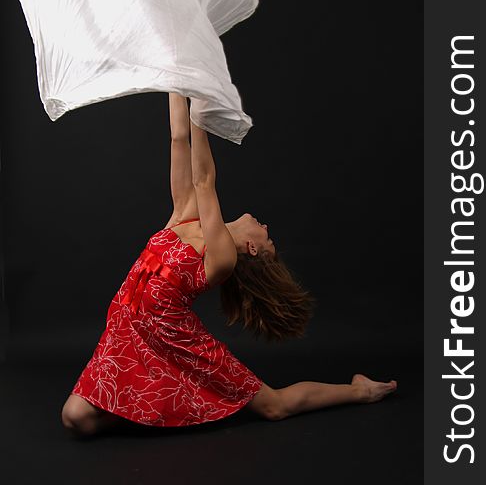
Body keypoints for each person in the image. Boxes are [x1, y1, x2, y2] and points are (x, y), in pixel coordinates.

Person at [61, 93, 397, 437]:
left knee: (273, 406)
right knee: (77, 418)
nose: (265, 227)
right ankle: (159, 404)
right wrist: (179, 80)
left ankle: (361, 390)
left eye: (267, 238)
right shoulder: (184, 215)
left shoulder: (221, 257)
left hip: (177, 340)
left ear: (251, 247)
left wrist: (202, 104)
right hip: (129, 333)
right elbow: (178, 138)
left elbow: (204, 180)